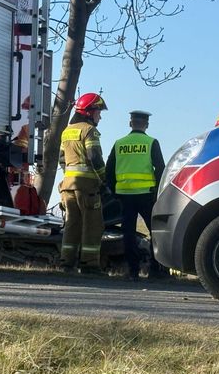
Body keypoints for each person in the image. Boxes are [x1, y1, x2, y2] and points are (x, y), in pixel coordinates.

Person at [106, 110, 167, 281]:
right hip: (146, 195)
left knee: (129, 233)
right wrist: (156, 191)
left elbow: (109, 170)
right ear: (146, 125)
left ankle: (132, 271)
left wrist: (114, 190)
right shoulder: (151, 142)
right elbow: (161, 168)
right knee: (155, 231)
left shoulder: (119, 144)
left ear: (130, 123)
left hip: (125, 196)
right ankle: (156, 269)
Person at [58, 92, 108, 273]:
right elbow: (94, 157)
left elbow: (62, 159)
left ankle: (66, 263)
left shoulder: (66, 131)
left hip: (67, 187)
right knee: (92, 225)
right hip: (87, 189)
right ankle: (90, 264)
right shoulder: (89, 130)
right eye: (98, 112)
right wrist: (104, 179)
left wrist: (69, 176)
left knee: (72, 224)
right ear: (89, 112)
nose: (100, 116)